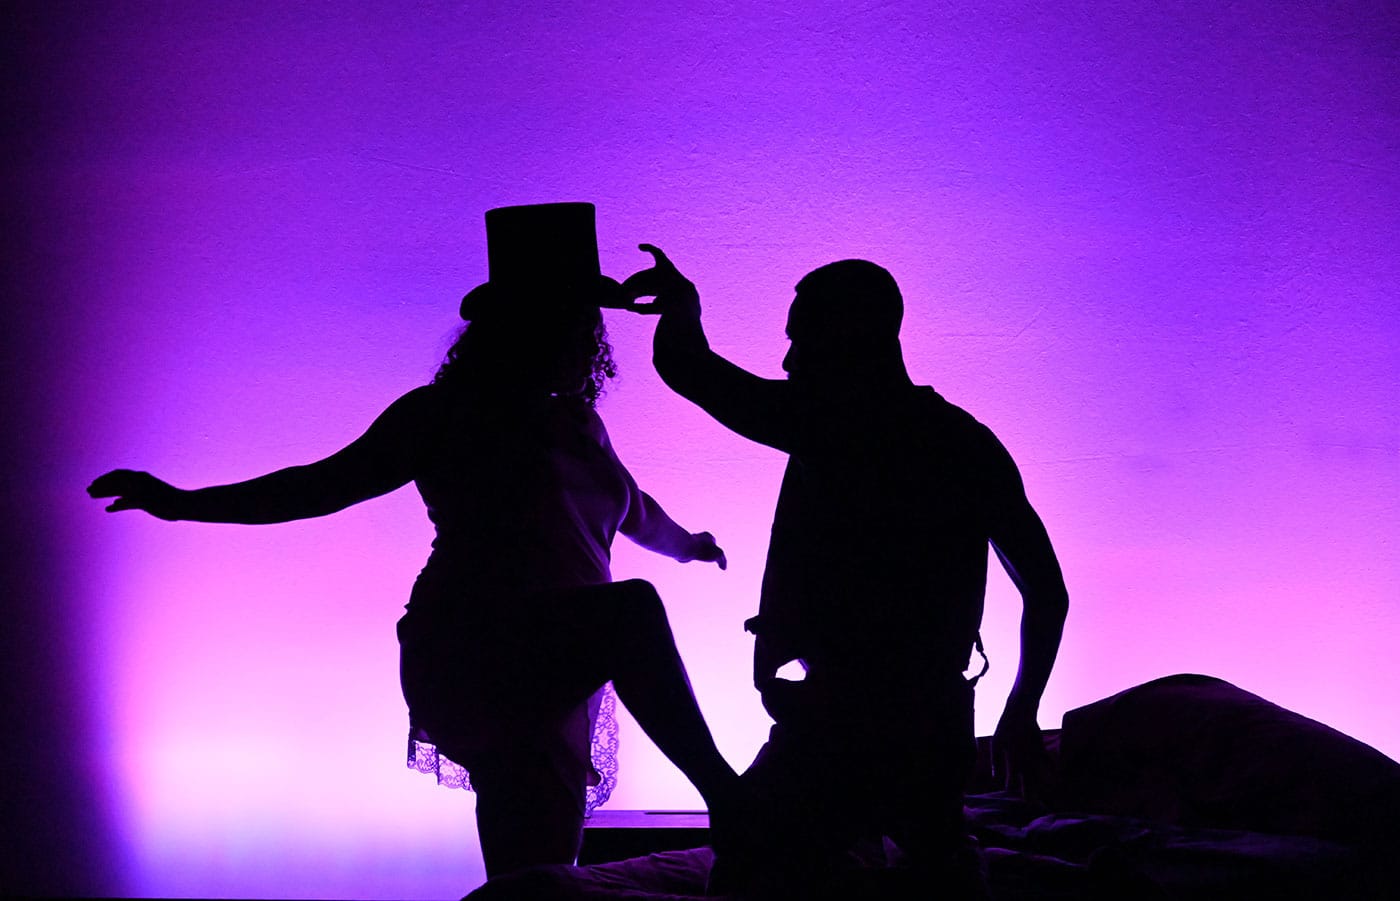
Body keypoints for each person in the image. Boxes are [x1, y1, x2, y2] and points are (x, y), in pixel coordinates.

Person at [87, 204, 744, 881]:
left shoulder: (581, 425)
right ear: (524, 327)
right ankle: (729, 796)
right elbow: (318, 486)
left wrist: (691, 545)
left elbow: (635, 510)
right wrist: (184, 504)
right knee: (631, 610)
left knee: (537, 875)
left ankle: (708, 806)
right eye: (571, 321)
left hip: (562, 656)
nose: (589, 338)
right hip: (476, 647)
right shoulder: (440, 415)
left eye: (589, 324)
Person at [622, 245, 1070, 895]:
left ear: (847, 339)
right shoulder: (967, 442)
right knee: (935, 860)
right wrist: (1021, 709)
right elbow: (1047, 591)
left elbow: (688, 368)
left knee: (748, 863)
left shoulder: (828, 426)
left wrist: (682, 307)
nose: (788, 361)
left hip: (836, 727)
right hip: (935, 725)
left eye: (799, 340)